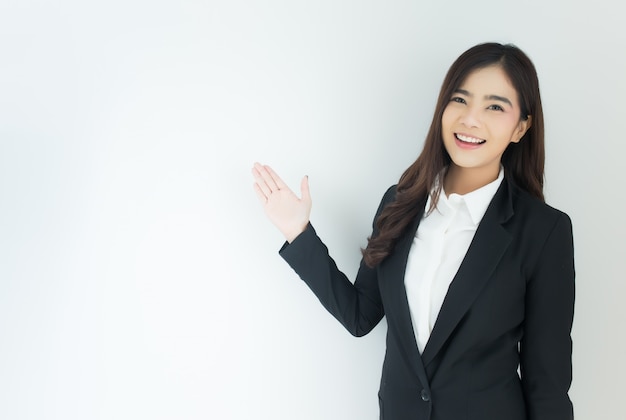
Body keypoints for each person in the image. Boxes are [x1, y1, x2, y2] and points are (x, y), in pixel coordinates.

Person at [251, 42, 575, 420]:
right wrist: (298, 231)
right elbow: (361, 315)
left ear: (521, 127)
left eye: (495, 106)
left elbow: (547, 383)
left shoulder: (543, 231)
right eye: (460, 99)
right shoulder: (399, 203)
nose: (471, 119)